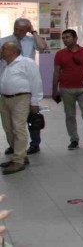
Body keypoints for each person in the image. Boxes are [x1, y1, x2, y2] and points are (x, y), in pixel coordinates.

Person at [0, 18, 47, 155]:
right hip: (10, 80)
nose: (17, 32)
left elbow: (42, 47)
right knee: (11, 123)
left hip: (27, 81)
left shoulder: (31, 40)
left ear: (27, 30)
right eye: (16, 29)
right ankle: (14, 146)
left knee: (32, 117)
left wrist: (33, 32)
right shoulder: (4, 41)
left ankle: (34, 144)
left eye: (21, 30)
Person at [0, 40, 43, 175]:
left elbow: (36, 81)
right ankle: (20, 155)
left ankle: (18, 161)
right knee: (8, 128)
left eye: (4, 48)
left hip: (21, 98)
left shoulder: (27, 62)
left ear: (13, 51)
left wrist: (35, 102)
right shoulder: (5, 64)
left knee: (18, 128)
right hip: (4, 99)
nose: (1, 51)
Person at [53, 29, 83, 150]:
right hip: (66, 88)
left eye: (67, 37)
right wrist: (54, 89)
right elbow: (56, 72)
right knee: (70, 115)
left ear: (75, 38)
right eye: (63, 38)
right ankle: (74, 139)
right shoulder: (60, 54)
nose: (65, 40)